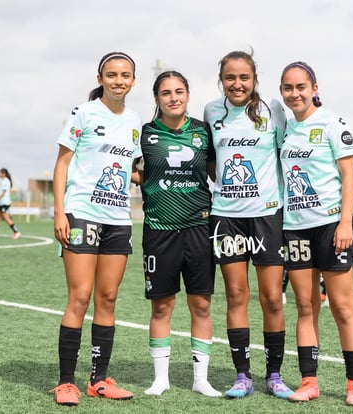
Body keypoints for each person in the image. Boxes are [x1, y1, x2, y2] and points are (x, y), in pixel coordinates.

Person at [50, 51, 142, 406]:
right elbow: (62, 164)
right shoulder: (84, 113)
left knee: (108, 298)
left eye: (125, 75)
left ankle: (98, 380)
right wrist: (60, 212)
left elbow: (128, 170)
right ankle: (65, 382)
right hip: (81, 214)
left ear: (133, 81)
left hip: (118, 219)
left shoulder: (135, 120)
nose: (119, 80)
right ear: (100, 77)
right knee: (80, 296)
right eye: (112, 74)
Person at [204, 50, 292, 400]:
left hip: (267, 215)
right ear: (221, 80)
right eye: (230, 77)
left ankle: (274, 375)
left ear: (255, 78)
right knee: (236, 295)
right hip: (227, 217)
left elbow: (286, 155)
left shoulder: (272, 109)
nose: (237, 84)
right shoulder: (212, 112)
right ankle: (242, 375)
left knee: (272, 297)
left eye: (244, 77)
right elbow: (211, 161)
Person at [279, 61, 353, 406]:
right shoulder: (285, 129)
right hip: (295, 228)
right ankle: (309, 381)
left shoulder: (332, 123)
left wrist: (345, 222)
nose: (294, 93)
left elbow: (349, 177)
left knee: (343, 307)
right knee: (305, 305)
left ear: (314, 88)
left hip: (332, 226)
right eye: (288, 87)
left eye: (301, 86)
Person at [139, 70, 221, 397]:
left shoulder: (203, 131)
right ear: (157, 99)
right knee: (161, 307)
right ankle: (161, 378)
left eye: (179, 91)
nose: (174, 97)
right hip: (159, 230)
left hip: (199, 228)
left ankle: (201, 379)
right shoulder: (144, 133)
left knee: (201, 305)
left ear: (188, 94)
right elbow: (130, 168)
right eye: (166, 93)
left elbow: (218, 170)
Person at [0, 168, 21, 239]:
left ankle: (16, 231)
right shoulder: (4, 181)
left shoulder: (5, 181)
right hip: (1, 203)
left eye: (0, 173)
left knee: (6, 218)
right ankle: (16, 232)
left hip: (4, 203)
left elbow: (4, 192)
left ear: (3, 173)